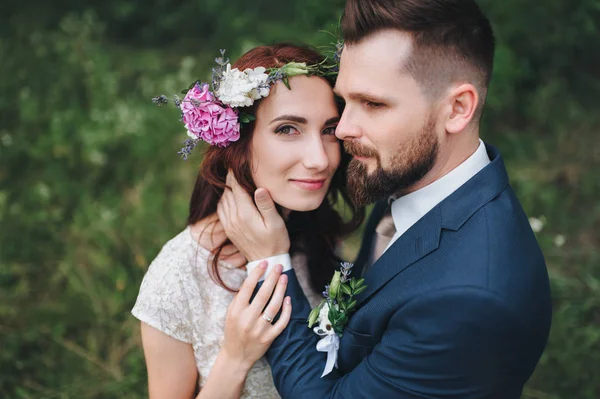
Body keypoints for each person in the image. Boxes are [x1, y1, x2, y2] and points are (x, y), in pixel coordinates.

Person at [217, 0, 553, 398]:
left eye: (373, 104)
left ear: (458, 109)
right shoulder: (411, 177)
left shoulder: (468, 300)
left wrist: (270, 261)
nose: (342, 129)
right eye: (346, 102)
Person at [131, 43, 363, 398]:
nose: (320, 159)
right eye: (288, 129)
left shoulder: (315, 237)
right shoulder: (176, 276)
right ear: (237, 141)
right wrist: (236, 358)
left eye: (329, 130)